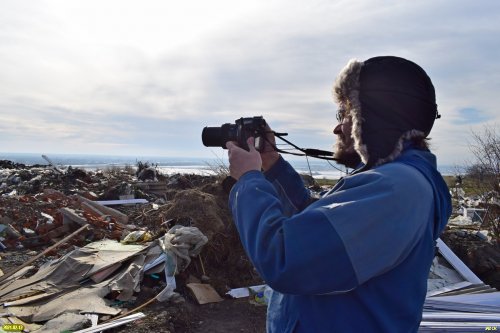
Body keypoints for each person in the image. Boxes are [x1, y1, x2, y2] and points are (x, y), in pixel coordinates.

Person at [225, 56, 452, 332]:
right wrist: (272, 167)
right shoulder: (390, 181)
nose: (337, 127)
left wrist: (249, 179)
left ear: (374, 117)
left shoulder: (396, 188)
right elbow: (316, 230)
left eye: (345, 113)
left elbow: (284, 258)